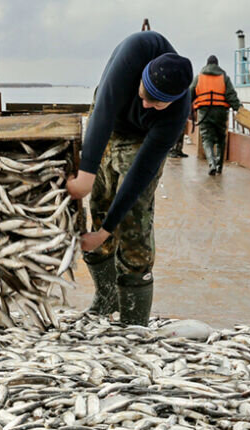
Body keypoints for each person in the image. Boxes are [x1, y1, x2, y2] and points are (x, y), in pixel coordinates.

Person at [66, 31, 193, 326]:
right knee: (99, 200)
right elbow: (104, 110)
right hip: (108, 124)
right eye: (145, 95)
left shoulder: (176, 114)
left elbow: (141, 174)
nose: (147, 105)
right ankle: (106, 296)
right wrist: (86, 174)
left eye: (157, 103)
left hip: (142, 138)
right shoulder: (134, 52)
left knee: (134, 219)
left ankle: (134, 319)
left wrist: (107, 231)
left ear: (174, 102)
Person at [191, 55, 241, 175]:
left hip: (204, 112)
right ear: (217, 65)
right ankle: (219, 165)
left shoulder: (199, 77)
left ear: (207, 64)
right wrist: (238, 108)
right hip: (220, 112)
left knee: (206, 139)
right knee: (220, 139)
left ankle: (211, 163)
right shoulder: (224, 78)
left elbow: (190, 93)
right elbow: (231, 95)